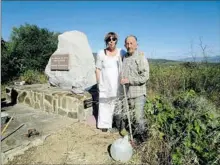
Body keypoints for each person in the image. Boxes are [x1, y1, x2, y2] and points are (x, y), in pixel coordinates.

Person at [120, 35, 150, 143]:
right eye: (127, 43)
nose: (129, 46)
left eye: (131, 43)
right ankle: (131, 137)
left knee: (138, 119)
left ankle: (143, 141)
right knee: (128, 117)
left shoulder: (141, 57)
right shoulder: (125, 58)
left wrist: (129, 80)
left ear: (136, 44)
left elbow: (145, 77)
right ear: (124, 45)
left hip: (138, 94)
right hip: (127, 94)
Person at [95, 32, 126, 132]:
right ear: (106, 41)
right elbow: (98, 69)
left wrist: (140, 54)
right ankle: (104, 125)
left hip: (117, 84)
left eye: (113, 39)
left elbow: (130, 57)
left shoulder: (121, 52)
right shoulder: (101, 53)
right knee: (104, 105)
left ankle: (116, 124)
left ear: (116, 40)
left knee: (116, 104)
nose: (111, 41)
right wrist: (99, 83)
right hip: (105, 84)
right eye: (109, 39)